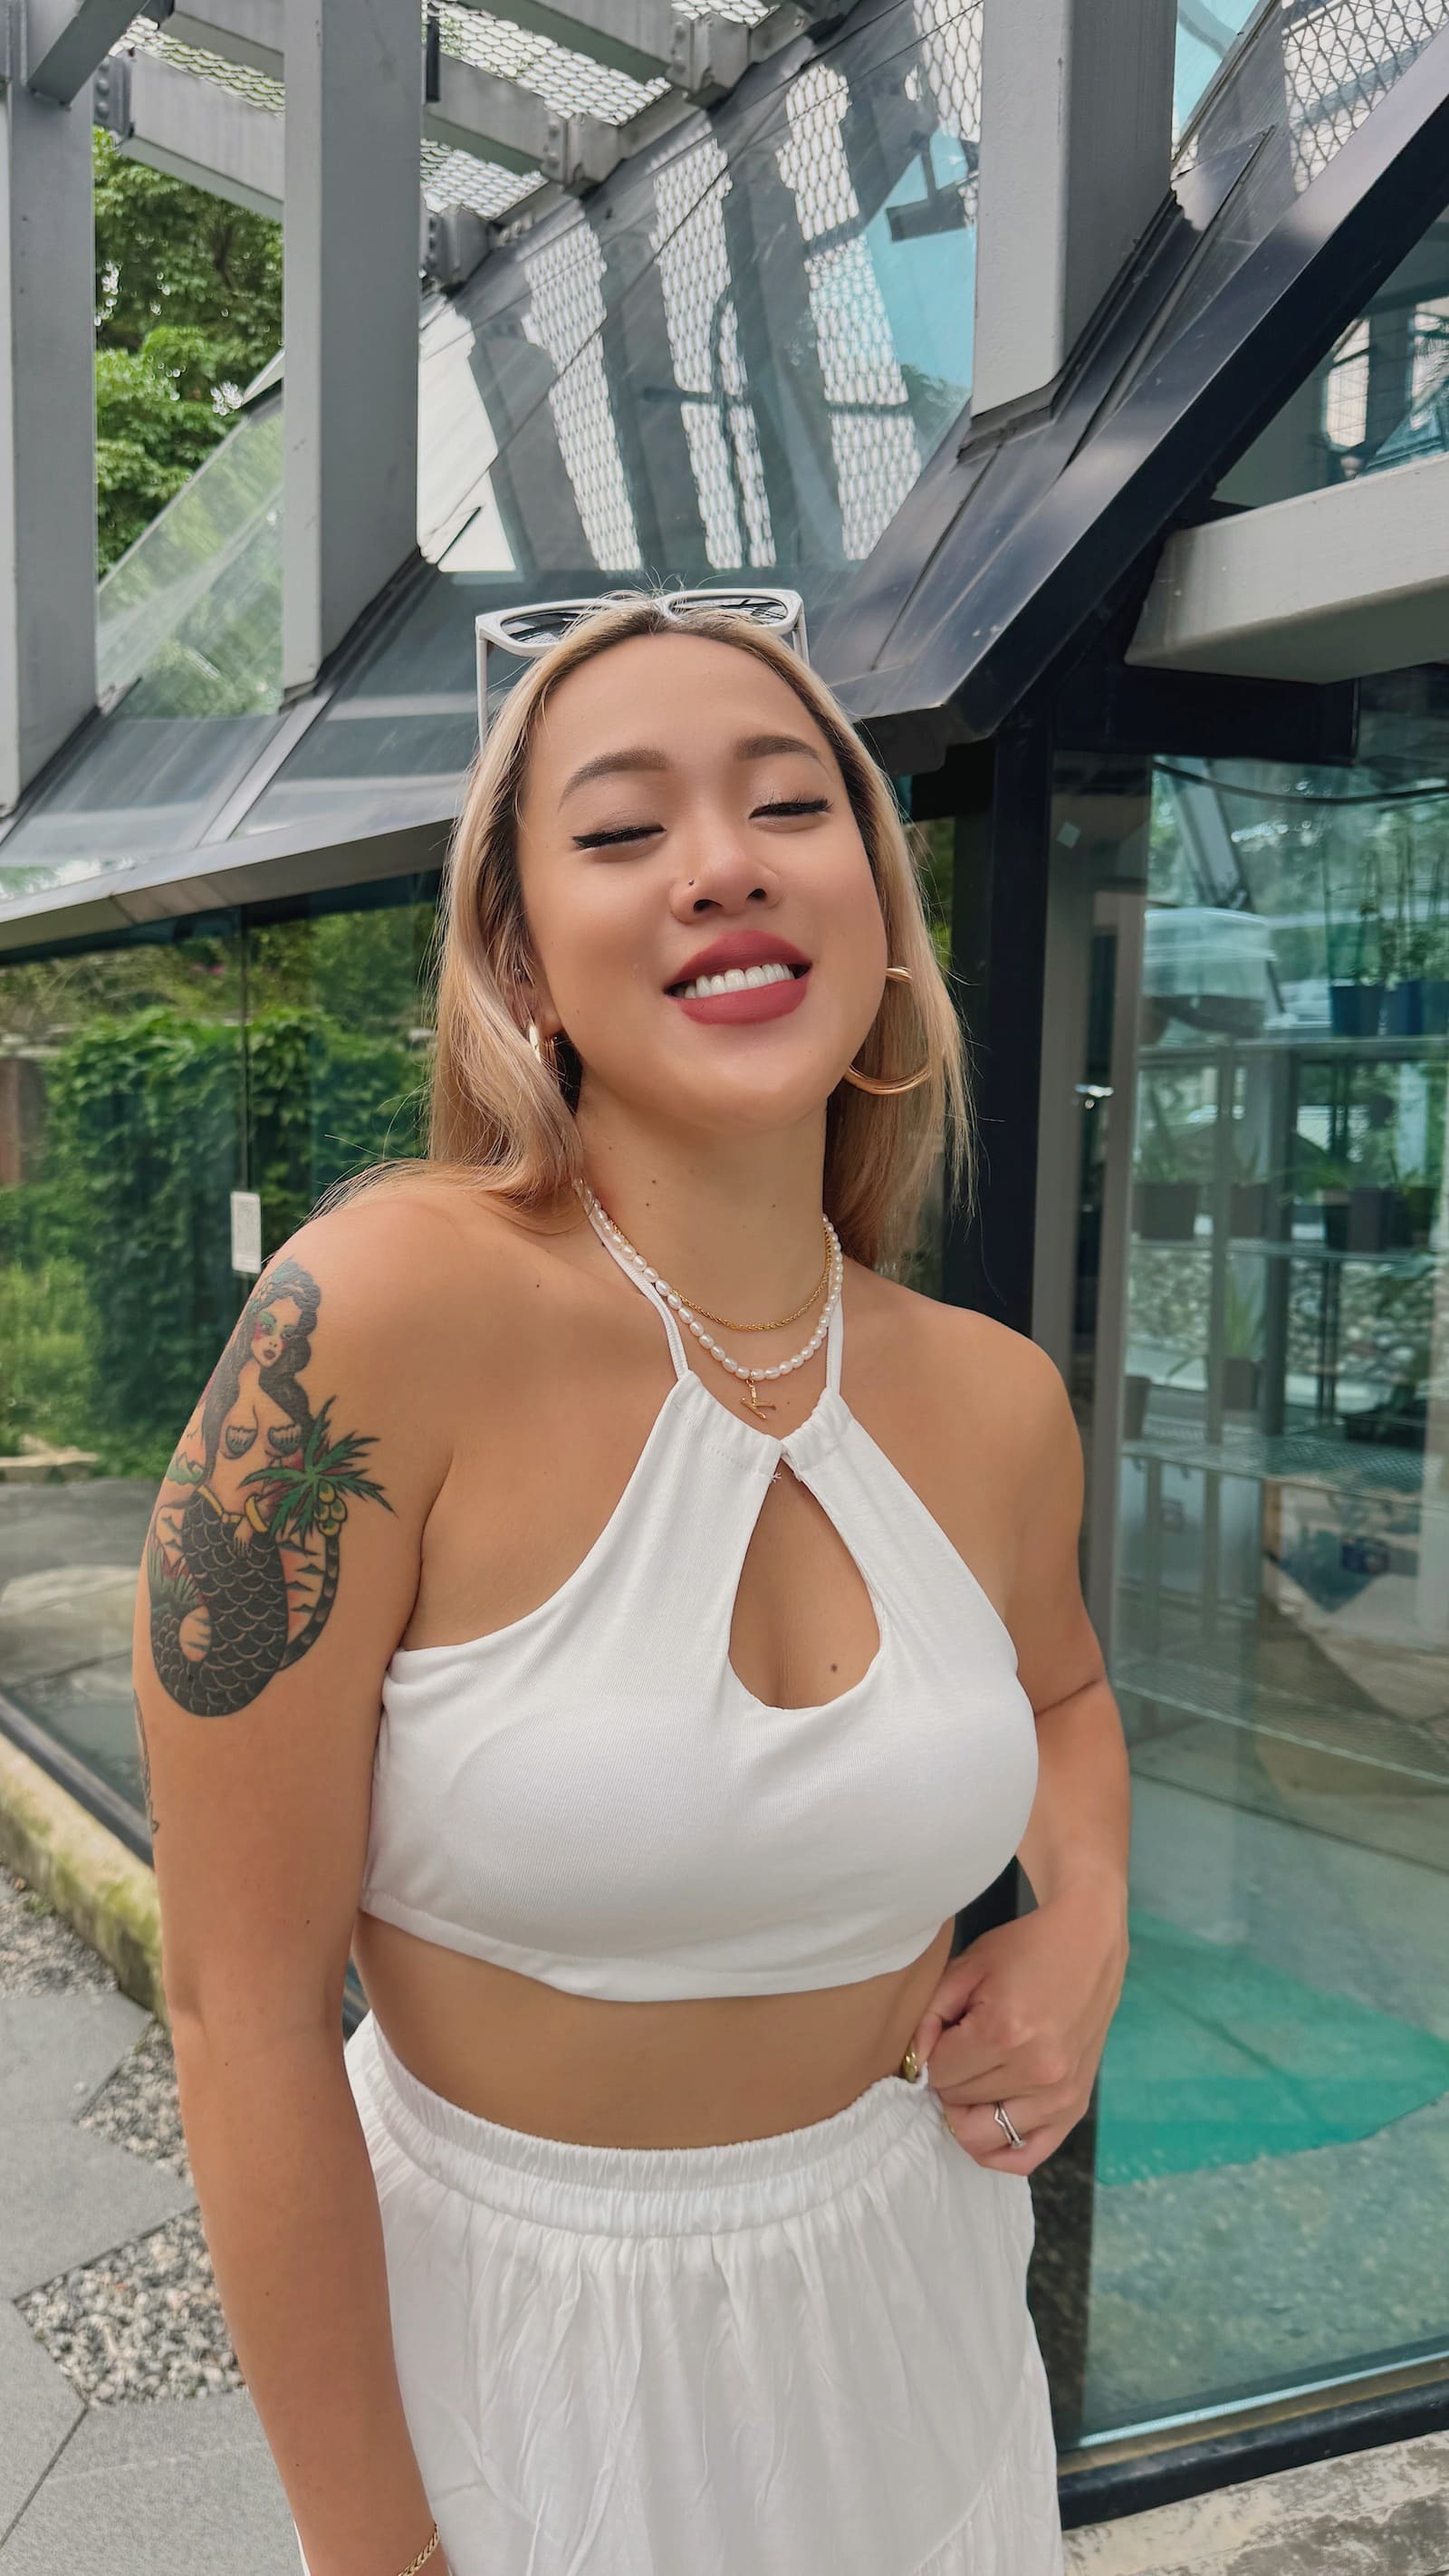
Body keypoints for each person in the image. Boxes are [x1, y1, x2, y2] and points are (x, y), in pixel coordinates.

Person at [133, 591, 1130, 2576]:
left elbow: (1061, 1696)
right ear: (517, 952)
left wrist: (1087, 1922)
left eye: (791, 805)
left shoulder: (991, 1398)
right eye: (618, 828)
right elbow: (239, 2003)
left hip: (915, 2318)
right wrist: (379, 2556)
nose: (722, 864)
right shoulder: (375, 1320)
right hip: (508, 2369)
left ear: (877, 898)